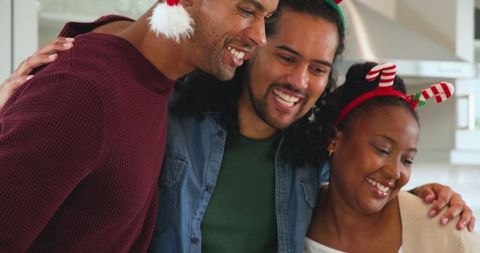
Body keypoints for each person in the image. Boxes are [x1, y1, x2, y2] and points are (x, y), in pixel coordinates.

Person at [0, 0, 475, 252]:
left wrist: (424, 195)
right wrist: (72, 51)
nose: (298, 80)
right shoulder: (175, 109)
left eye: (317, 68)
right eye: (286, 57)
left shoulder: (312, 159)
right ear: (254, 51)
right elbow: (136, 60)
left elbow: (363, 188)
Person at [0, 0, 277, 252]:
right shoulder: (84, 92)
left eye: (267, 16)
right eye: (246, 10)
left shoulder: (146, 68)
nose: (260, 37)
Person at [305, 62, 480, 253]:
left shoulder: (444, 231)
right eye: (383, 150)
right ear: (334, 140)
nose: (395, 172)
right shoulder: (293, 213)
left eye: (407, 160)